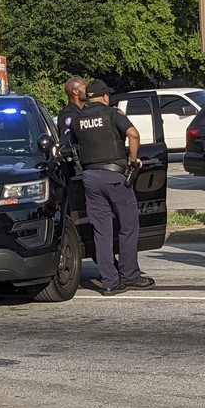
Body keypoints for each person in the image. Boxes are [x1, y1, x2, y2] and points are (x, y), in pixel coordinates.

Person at [71, 79, 155, 296]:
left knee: (102, 231)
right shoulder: (112, 114)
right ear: (105, 97)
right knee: (128, 226)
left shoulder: (78, 119)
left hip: (90, 177)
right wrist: (133, 158)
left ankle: (110, 282)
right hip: (115, 177)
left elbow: (71, 146)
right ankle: (130, 275)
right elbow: (133, 134)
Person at [56, 76, 88, 144]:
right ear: (75, 92)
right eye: (85, 88)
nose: (88, 90)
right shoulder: (68, 114)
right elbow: (67, 143)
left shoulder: (86, 110)